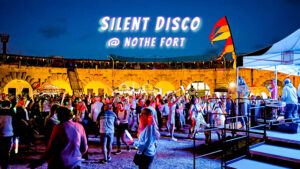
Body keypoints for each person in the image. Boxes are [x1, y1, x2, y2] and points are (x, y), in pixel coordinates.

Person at [0, 100, 14, 169]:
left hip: (1, 133)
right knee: (6, 149)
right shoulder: (11, 112)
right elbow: (14, 122)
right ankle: (5, 165)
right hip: (9, 132)